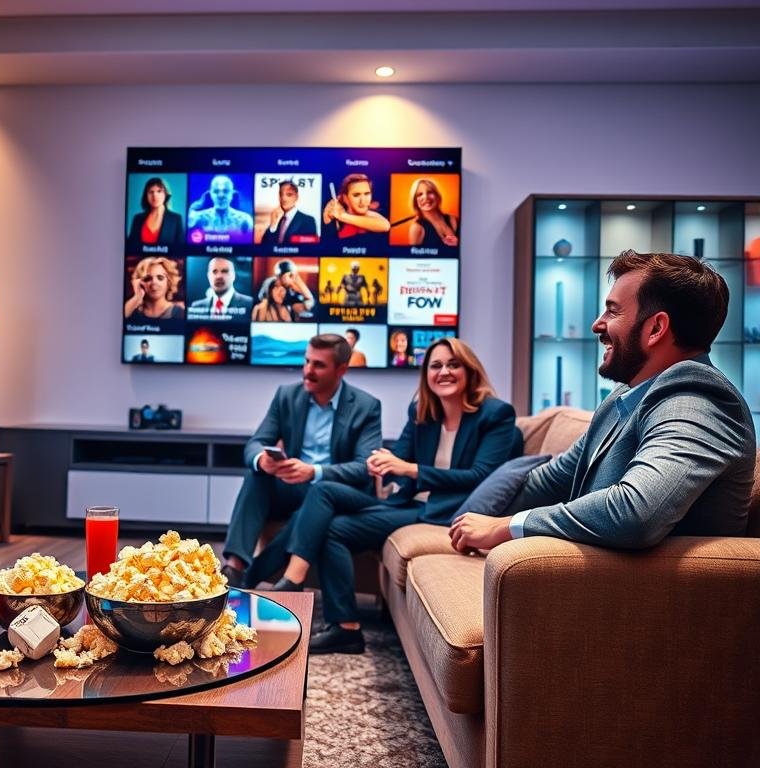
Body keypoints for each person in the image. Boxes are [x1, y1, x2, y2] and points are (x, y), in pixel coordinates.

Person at [449, 251, 757, 555]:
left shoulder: (697, 398)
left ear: (656, 329)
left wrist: (510, 526)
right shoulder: (623, 397)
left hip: (643, 596)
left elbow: (636, 513)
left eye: (612, 311)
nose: (598, 324)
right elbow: (554, 478)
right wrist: (471, 517)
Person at [256, 338, 520, 654]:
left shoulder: (496, 415)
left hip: (444, 511)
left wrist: (409, 469)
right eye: (435, 366)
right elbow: (400, 460)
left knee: (331, 522)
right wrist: (383, 463)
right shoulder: (422, 411)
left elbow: (478, 476)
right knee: (326, 497)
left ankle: (282, 582)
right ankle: (345, 626)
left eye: (453, 364)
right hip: (405, 503)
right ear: (427, 375)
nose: (444, 372)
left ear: (470, 371)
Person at [220, 334, 382, 588]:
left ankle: (252, 579)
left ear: (341, 369)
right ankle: (234, 567)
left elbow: (364, 467)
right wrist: (262, 459)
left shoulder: (366, 406)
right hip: (292, 487)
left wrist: (314, 471)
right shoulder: (287, 396)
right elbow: (255, 443)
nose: (308, 370)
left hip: (336, 492)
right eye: (307, 361)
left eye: (318, 365)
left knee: (320, 495)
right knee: (256, 474)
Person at [322, 173, 389, 241]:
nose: (363, 201)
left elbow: (386, 226)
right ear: (345, 198)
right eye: (356, 195)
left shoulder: (376, 216)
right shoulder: (333, 219)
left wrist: (342, 216)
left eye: (367, 194)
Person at [126, 177, 184, 249]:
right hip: (141, 260)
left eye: (159, 191)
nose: (155, 195)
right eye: (151, 192)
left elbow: (180, 251)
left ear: (165, 194)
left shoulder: (176, 219)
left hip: (166, 260)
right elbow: (130, 248)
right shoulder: (137, 219)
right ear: (146, 195)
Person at [187, 175, 253, 238]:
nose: (221, 196)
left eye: (225, 191)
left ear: (232, 193)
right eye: (216, 191)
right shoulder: (197, 218)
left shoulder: (245, 219)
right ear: (210, 194)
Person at [189, 257, 253, 319]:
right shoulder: (196, 306)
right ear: (208, 276)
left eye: (224, 271)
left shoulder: (250, 304)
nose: (219, 276)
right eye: (214, 271)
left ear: (234, 276)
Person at [260, 181, 318, 246]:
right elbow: (264, 247)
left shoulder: (308, 220)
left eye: (289, 194)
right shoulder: (277, 221)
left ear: (296, 197)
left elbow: (311, 248)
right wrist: (273, 225)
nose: (284, 198)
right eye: (281, 194)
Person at [407, 178, 459, 248]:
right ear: (414, 201)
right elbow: (413, 258)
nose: (426, 197)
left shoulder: (453, 219)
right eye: (419, 194)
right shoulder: (416, 228)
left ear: (437, 195)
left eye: (430, 192)